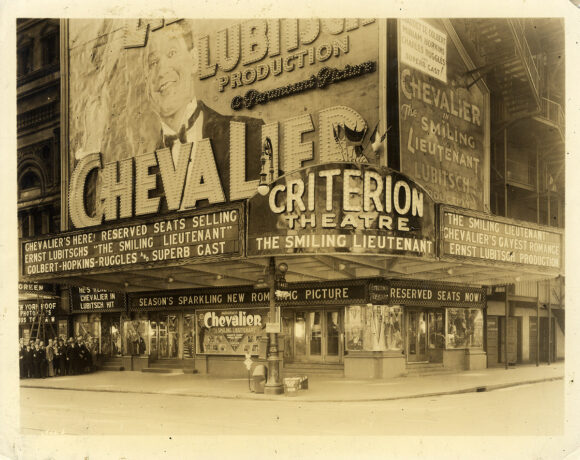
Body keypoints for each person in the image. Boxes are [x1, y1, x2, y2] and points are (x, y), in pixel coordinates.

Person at [143, 22, 264, 206]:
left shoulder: (250, 135)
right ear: (146, 84)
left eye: (171, 53)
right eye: (153, 62)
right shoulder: (140, 175)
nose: (161, 71)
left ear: (193, 60)